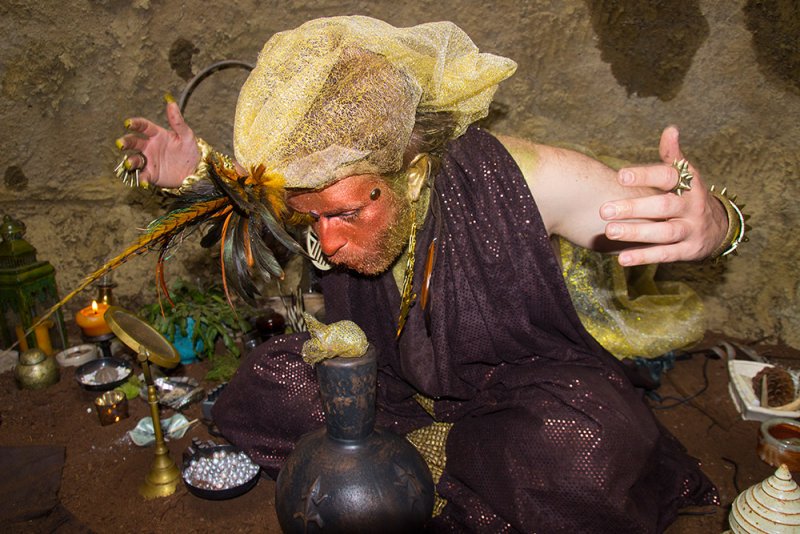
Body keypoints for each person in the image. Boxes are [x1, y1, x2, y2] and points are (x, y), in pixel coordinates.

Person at [116, 16, 739, 532]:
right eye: (309, 218)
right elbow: (256, 202)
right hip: (389, 391)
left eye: (347, 213)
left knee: (583, 449)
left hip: (520, 397)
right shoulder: (319, 194)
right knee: (267, 380)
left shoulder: (521, 177)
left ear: (409, 174)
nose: (327, 243)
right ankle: (434, 469)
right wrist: (195, 175)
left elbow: (659, 216)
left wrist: (715, 223)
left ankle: (418, 472)